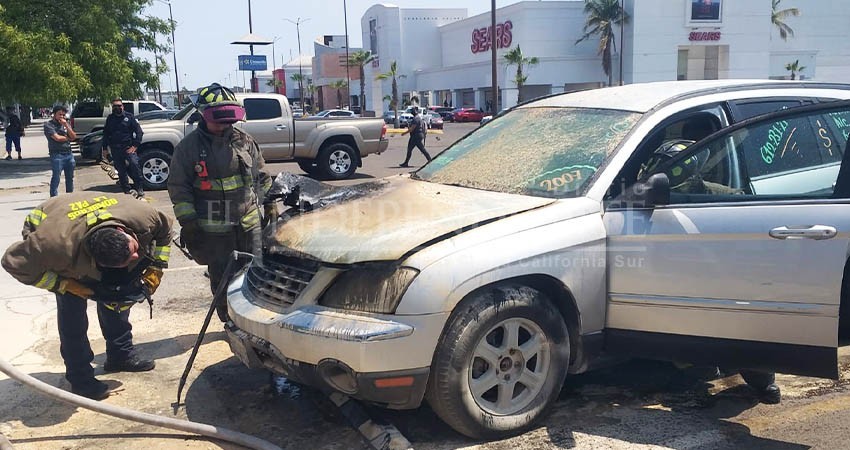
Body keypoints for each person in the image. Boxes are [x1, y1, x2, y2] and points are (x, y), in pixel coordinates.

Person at [1, 192, 172, 400]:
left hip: (103, 215)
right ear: (96, 261)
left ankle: (120, 355)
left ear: (123, 231)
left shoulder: (143, 215)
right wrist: (63, 284)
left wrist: (157, 267)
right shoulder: (52, 247)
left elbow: (165, 231)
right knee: (73, 315)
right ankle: (81, 379)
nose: (136, 256)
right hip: (54, 223)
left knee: (117, 294)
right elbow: (13, 263)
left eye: (134, 250)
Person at [167, 83, 272, 322]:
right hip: (215, 229)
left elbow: (262, 176)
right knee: (223, 277)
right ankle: (229, 321)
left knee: (255, 273)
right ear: (203, 115)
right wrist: (189, 222)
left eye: (230, 120)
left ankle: (254, 321)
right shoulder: (188, 149)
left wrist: (271, 203)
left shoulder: (245, 141)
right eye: (219, 120)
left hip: (249, 224)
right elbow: (178, 187)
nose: (226, 125)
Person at [102, 99, 145, 197]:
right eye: (115, 106)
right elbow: (106, 134)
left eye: (119, 106)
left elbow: (139, 132)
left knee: (134, 165)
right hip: (115, 149)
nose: (117, 108)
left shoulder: (129, 117)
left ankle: (139, 187)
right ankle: (126, 190)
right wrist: (104, 149)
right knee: (120, 170)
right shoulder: (110, 118)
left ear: (123, 107)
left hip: (128, 148)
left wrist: (135, 146)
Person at [43, 105, 76, 197]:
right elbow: (57, 138)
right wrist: (69, 138)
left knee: (70, 177)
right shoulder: (48, 125)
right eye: (59, 114)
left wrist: (66, 125)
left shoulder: (65, 124)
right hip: (57, 155)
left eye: (63, 115)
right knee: (56, 177)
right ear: (54, 114)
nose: (61, 117)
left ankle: (69, 197)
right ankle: (53, 197)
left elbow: (74, 136)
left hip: (69, 154)